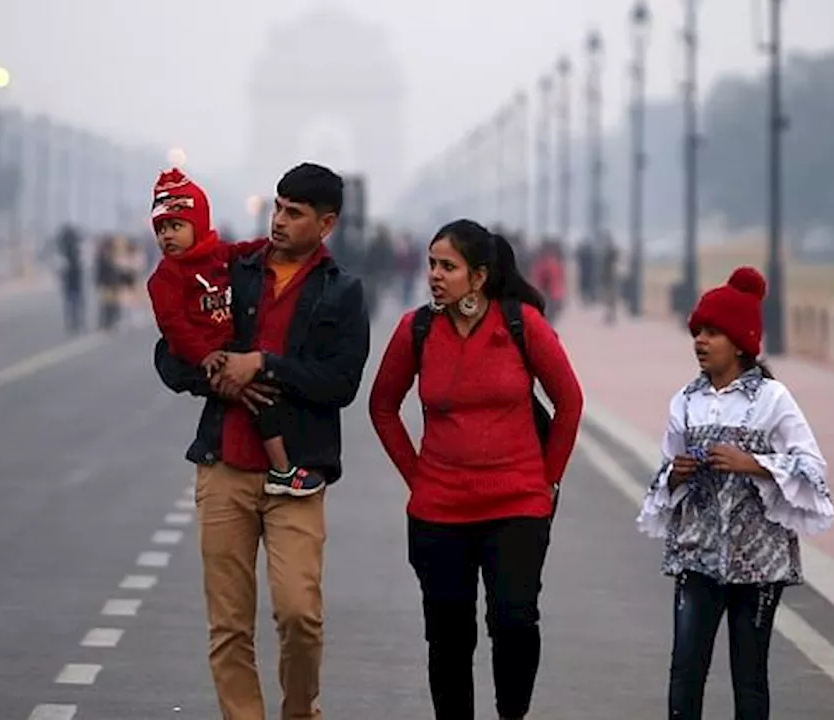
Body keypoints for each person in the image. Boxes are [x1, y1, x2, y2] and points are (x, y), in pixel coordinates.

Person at [153, 162, 370, 720]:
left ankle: (300, 710)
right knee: (228, 624)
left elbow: (343, 384)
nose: (278, 220)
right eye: (276, 207)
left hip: (298, 472)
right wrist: (221, 377)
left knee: (300, 613)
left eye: (293, 213)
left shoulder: (342, 291)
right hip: (224, 461)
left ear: (325, 225)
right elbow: (169, 355)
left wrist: (264, 365)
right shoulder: (234, 270)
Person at [368, 219, 583, 720]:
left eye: (448, 267)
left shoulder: (520, 325)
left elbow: (569, 402)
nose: (435, 276)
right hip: (439, 511)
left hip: (517, 504)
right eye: (432, 265)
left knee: (513, 621)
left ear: (479, 276)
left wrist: (547, 479)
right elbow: (382, 406)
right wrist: (416, 475)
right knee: (448, 635)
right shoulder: (416, 330)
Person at [637, 267, 834, 720]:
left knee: (750, 675)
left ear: (741, 342)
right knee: (685, 670)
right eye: (697, 332)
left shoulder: (773, 399)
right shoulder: (685, 401)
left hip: (759, 562)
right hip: (696, 557)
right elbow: (662, 475)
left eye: (712, 332)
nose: (700, 342)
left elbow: (814, 471)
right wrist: (675, 475)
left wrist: (755, 464)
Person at [147, 167, 325, 496]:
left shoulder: (219, 256)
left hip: (232, 351)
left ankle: (281, 469)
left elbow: (243, 250)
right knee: (261, 403)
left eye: (176, 226)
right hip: (210, 356)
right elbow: (172, 327)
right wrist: (204, 358)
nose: (167, 236)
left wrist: (272, 244)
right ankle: (284, 470)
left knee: (262, 401)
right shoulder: (167, 275)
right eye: (161, 230)